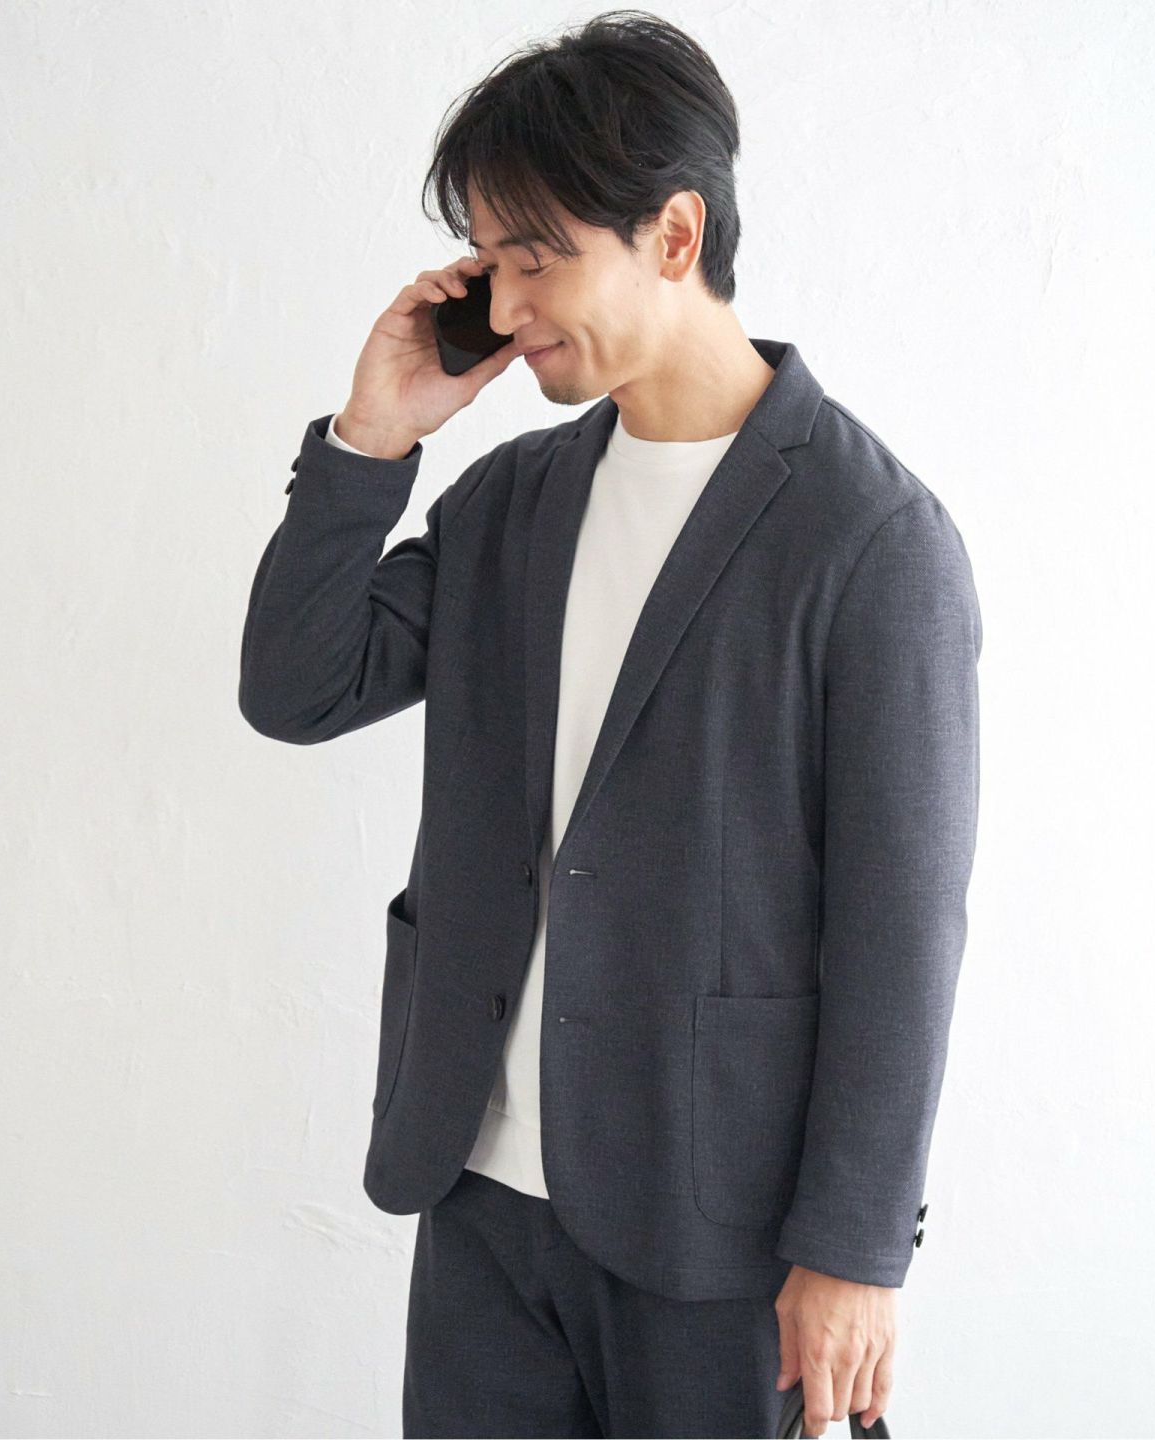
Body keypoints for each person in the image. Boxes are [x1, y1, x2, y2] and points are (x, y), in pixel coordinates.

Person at [239, 12, 982, 1438]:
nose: (507, 307)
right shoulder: (512, 501)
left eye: (538, 258)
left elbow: (903, 930)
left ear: (676, 235)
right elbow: (297, 685)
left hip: (721, 1235)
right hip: (478, 1197)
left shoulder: (871, 540)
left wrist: (854, 1252)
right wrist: (374, 437)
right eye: (489, 262)